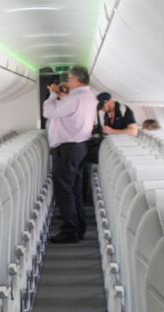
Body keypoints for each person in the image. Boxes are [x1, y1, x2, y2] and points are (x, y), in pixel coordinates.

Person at [43, 66, 97, 243]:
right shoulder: (89, 96)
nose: (67, 81)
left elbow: (48, 112)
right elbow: (70, 110)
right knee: (74, 189)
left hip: (68, 149)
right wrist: (63, 96)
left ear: (76, 80)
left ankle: (70, 230)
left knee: (64, 190)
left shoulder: (75, 98)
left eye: (69, 78)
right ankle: (79, 226)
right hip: (80, 147)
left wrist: (52, 94)